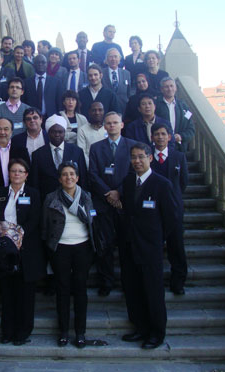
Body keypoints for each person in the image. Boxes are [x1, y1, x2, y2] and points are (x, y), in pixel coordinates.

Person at [120, 142, 177, 349]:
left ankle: (156, 333)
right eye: (133, 157)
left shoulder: (162, 184)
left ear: (150, 158)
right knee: (133, 290)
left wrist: (157, 239)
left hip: (150, 248)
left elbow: (171, 219)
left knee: (153, 292)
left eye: (141, 157)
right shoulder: (127, 181)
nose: (137, 161)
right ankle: (140, 328)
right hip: (129, 246)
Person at [0, 158, 45, 345]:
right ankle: (7, 331)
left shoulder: (33, 194)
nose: (17, 174)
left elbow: (35, 220)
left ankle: (23, 332)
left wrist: (17, 237)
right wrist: (4, 239)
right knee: (7, 293)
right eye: (13, 171)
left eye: (21, 171)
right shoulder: (0, 193)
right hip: (4, 250)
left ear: (26, 175)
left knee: (25, 294)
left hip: (26, 250)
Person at [42, 161, 95, 348]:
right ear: (59, 178)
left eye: (72, 174)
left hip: (82, 247)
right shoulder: (51, 198)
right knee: (62, 290)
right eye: (65, 174)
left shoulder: (86, 197)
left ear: (78, 177)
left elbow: (91, 221)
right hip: (60, 248)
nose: (69, 177)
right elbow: (45, 225)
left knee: (80, 290)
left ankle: (80, 332)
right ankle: (63, 331)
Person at [88, 112, 136, 296]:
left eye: (115, 122)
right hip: (103, 203)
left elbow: (134, 173)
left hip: (125, 205)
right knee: (104, 245)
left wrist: (119, 193)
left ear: (122, 125)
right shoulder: (96, 148)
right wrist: (109, 194)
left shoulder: (132, 146)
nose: (112, 126)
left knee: (126, 245)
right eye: (108, 123)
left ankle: (128, 281)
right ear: (104, 127)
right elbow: (92, 174)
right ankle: (106, 282)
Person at [150, 123, 188, 294]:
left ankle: (178, 281)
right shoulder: (148, 157)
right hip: (152, 209)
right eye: (156, 134)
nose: (160, 137)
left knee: (176, 246)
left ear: (169, 137)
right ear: (152, 137)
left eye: (163, 134)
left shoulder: (179, 156)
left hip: (173, 208)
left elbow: (183, 182)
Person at [30, 114, 87, 202]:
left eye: (60, 132)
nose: (57, 135)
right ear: (48, 133)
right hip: (47, 201)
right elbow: (35, 182)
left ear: (64, 133)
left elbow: (83, 179)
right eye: (53, 132)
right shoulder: (37, 154)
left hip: (73, 199)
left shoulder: (77, 151)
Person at [155, 77, 195, 152]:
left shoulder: (184, 106)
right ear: (161, 89)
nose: (169, 89)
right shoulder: (155, 105)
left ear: (175, 88)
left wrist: (181, 136)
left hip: (180, 147)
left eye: (171, 86)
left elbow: (191, 128)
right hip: (160, 147)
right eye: (166, 87)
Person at [23, 55, 62, 119]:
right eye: (38, 62)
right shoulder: (26, 82)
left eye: (43, 62)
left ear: (47, 64)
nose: (40, 64)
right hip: (32, 119)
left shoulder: (56, 82)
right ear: (33, 64)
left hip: (51, 118)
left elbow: (59, 102)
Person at [102, 48, 131, 116]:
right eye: (111, 56)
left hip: (123, 109)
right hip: (106, 108)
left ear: (119, 59)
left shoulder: (126, 73)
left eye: (115, 56)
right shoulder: (101, 73)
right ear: (106, 59)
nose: (113, 59)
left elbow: (129, 92)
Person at [77, 102, 107, 166]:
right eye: (94, 110)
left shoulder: (109, 128)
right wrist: (92, 166)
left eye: (100, 110)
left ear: (103, 112)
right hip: (90, 166)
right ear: (89, 112)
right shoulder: (82, 130)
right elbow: (82, 152)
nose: (97, 113)